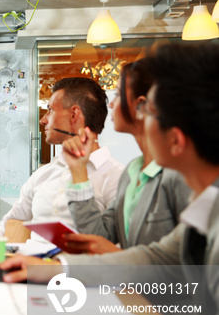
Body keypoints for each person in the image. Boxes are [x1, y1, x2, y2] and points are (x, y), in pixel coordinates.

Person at [0, 42, 219, 315]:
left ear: (176, 140)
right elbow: (152, 258)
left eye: (149, 111)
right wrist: (54, 268)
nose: (142, 119)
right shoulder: (204, 206)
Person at [60, 59, 191, 253]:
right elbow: (98, 236)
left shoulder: (179, 174)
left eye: (119, 94)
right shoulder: (131, 173)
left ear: (141, 106)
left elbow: (194, 262)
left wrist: (116, 255)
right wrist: (79, 170)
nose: (111, 104)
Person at [0, 77, 124, 242]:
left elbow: (112, 247)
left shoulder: (117, 177)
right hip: (30, 264)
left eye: (50, 110)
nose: (43, 120)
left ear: (73, 114)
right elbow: (8, 223)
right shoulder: (44, 173)